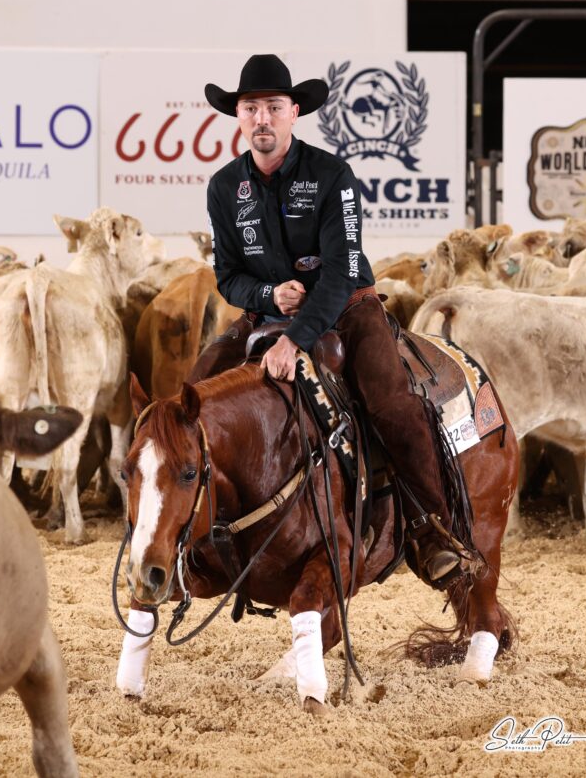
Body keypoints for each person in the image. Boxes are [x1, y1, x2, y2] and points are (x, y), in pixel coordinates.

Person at [194, 54, 463, 586]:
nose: (262, 118)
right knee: (193, 395)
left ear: (294, 112)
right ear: (239, 117)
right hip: (266, 311)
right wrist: (270, 292)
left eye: (274, 106)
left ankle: (434, 531)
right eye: (251, 108)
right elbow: (228, 276)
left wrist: (295, 339)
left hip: (347, 307)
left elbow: (340, 274)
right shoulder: (225, 188)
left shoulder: (331, 175)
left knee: (392, 402)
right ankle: (193, 537)